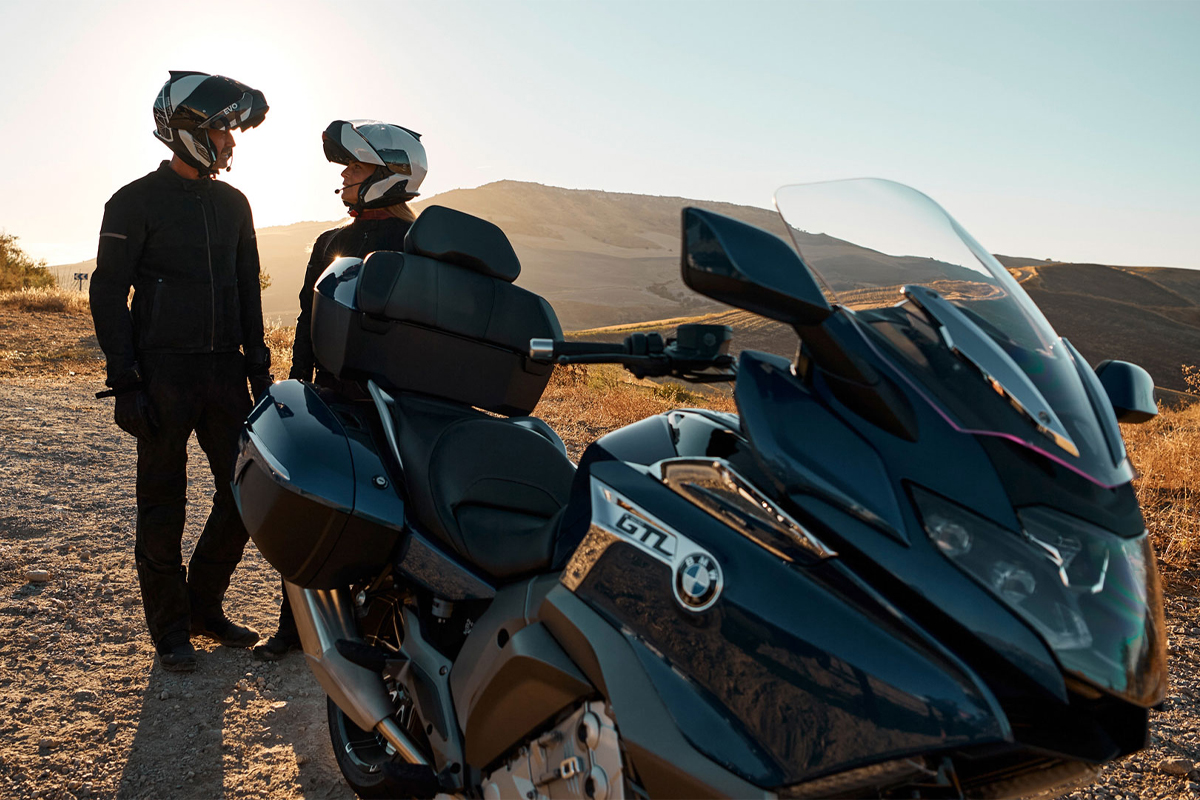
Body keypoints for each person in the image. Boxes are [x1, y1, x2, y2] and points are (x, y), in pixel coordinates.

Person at [90, 71, 272, 673]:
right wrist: (126, 381)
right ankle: (169, 630)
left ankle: (201, 606)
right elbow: (108, 292)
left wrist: (260, 370)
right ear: (189, 129)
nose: (231, 142)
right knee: (162, 505)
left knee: (245, 494)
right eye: (222, 128)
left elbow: (247, 287)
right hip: (162, 374)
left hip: (225, 372)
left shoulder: (234, 203)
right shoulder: (133, 201)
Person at [252, 119, 428, 661]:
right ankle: (297, 628)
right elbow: (309, 319)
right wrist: (298, 386)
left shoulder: (420, 242)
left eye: (355, 166)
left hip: (396, 404)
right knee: (318, 505)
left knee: (398, 515)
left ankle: (384, 627)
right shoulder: (330, 241)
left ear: (389, 173)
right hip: (332, 397)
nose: (345, 176)